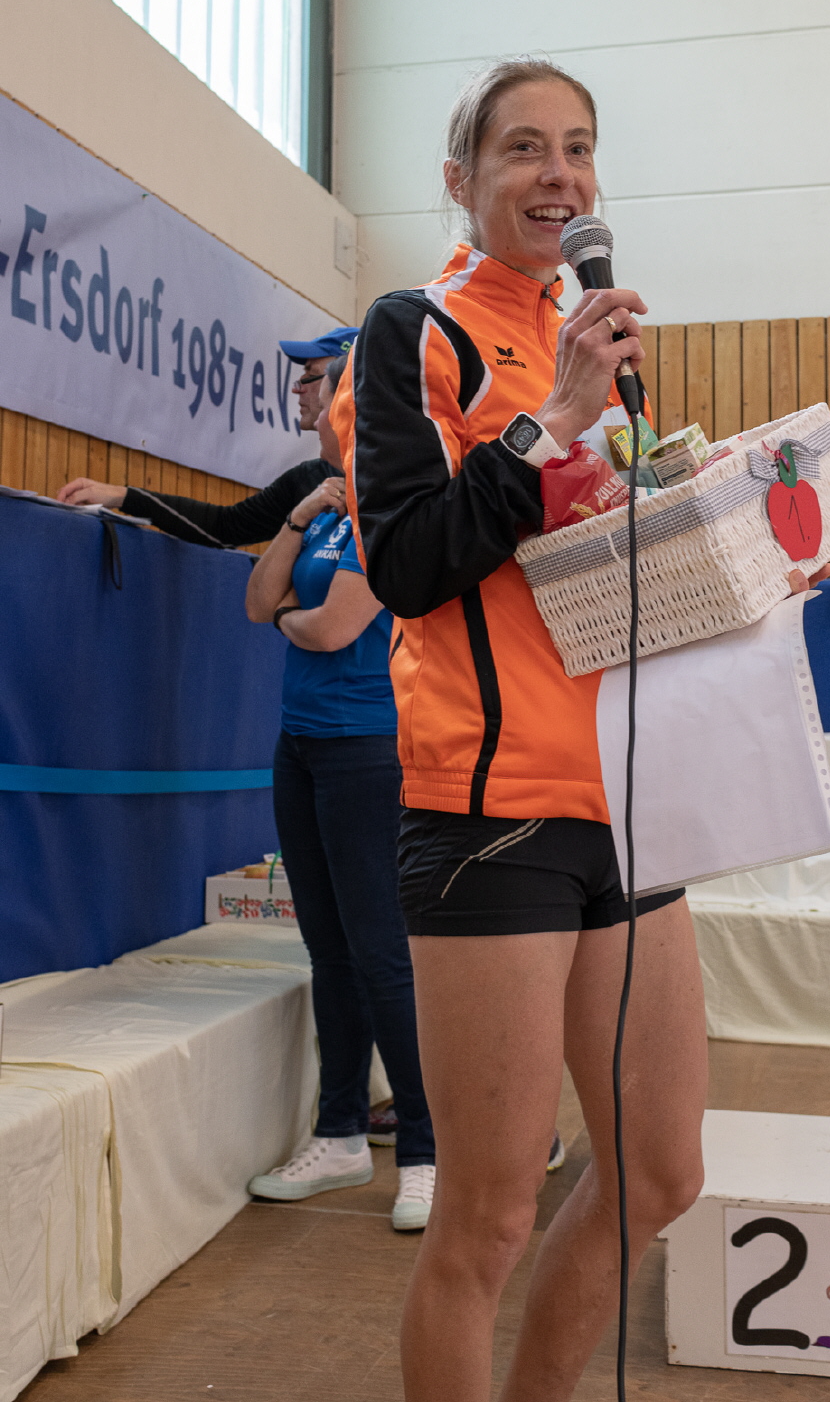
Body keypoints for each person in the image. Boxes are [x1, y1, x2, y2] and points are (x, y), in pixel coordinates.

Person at [332, 58, 830, 1399]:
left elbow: (595, 570)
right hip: (488, 813)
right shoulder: (413, 331)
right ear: (461, 178)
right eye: (523, 148)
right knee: (488, 1217)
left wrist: (740, 550)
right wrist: (550, 417)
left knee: (660, 1172)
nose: (558, 174)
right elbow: (409, 565)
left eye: (578, 147)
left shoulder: (590, 345)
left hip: (624, 798)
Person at [244, 354, 437, 1231]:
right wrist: (297, 517)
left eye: (321, 386)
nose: (308, 397)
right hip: (301, 745)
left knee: (381, 951)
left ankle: (427, 1151)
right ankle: (340, 1135)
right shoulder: (325, 508)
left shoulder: (384, 507)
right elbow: (257, 600)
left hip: (366, 747)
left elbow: (325, 628)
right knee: (328, 949)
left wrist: (291, 617)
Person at [55, 326, 359, 547]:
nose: (297, 388)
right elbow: (225, 526)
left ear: (345, 382)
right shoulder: (307, 478)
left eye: (309, 374)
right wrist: (122, 496)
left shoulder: (381, 480)